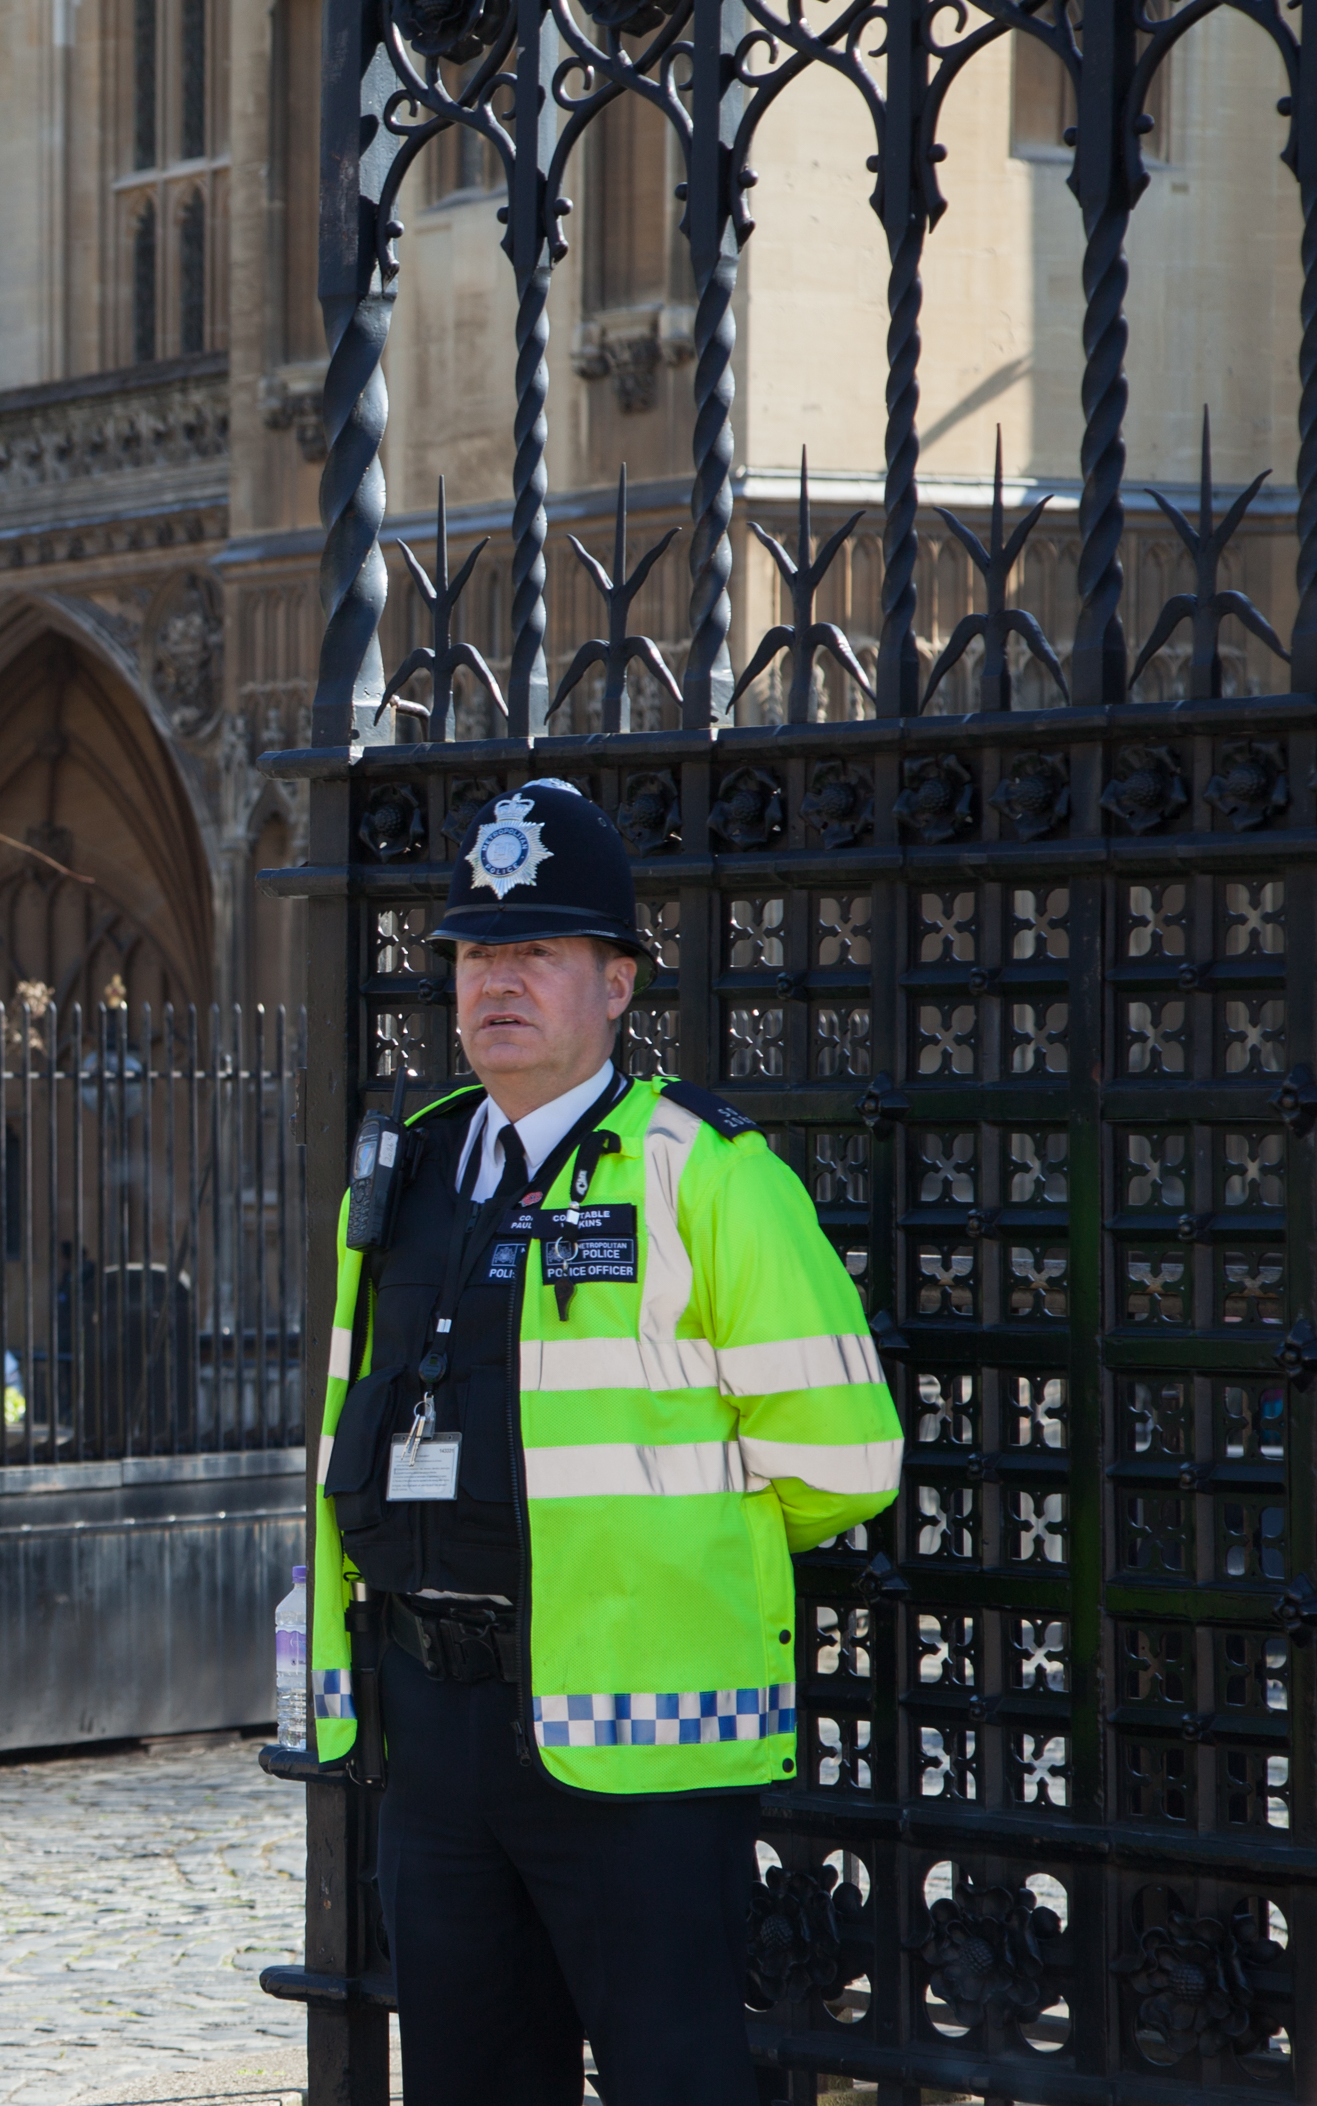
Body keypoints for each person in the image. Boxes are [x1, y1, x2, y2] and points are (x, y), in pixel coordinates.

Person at [301, 778, 903, 2106]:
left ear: (618, 984)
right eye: (475, 955)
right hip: (434, 1725)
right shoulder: (406, 1168)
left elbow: (845, 1460)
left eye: (536, 950)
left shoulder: (707, 1173)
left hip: (640, 1733)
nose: (496, 983)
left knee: (673, 2080)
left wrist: (668, 1557)